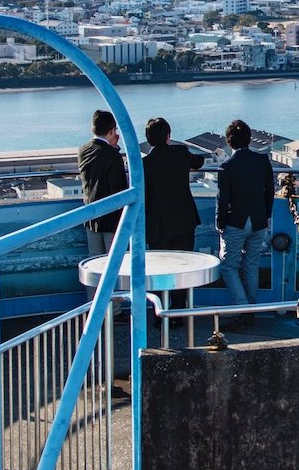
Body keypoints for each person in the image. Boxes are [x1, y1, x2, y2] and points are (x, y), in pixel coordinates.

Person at [143, 117, 206, 311]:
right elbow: (199, 161)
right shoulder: (180, 153)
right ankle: (179, 309)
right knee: (183, 266)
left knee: (159, 269)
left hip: (157, 225)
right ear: (168, 136)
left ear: (148, 139)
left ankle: (160, 311)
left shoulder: (145, 163)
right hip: (183, 220)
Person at [216, 119, 275, 320]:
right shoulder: (262, 161)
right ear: (249, 139)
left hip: (236, 221)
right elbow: (269, 192)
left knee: (229, 267)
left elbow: (222, 199)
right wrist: (267, 216)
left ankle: (243, 309)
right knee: (251, 265)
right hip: (259, 220)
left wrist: (220, 222)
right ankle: (250, 309)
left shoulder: (227, 166)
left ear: (229, 141)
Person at [78, 109, 128, 256]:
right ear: (111, 131)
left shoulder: (82, 150)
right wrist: (114, 149)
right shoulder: (113, 156)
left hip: (90, 216)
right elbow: (119, 190)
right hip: (111, 219)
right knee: (115, 259)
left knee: (94, 259)